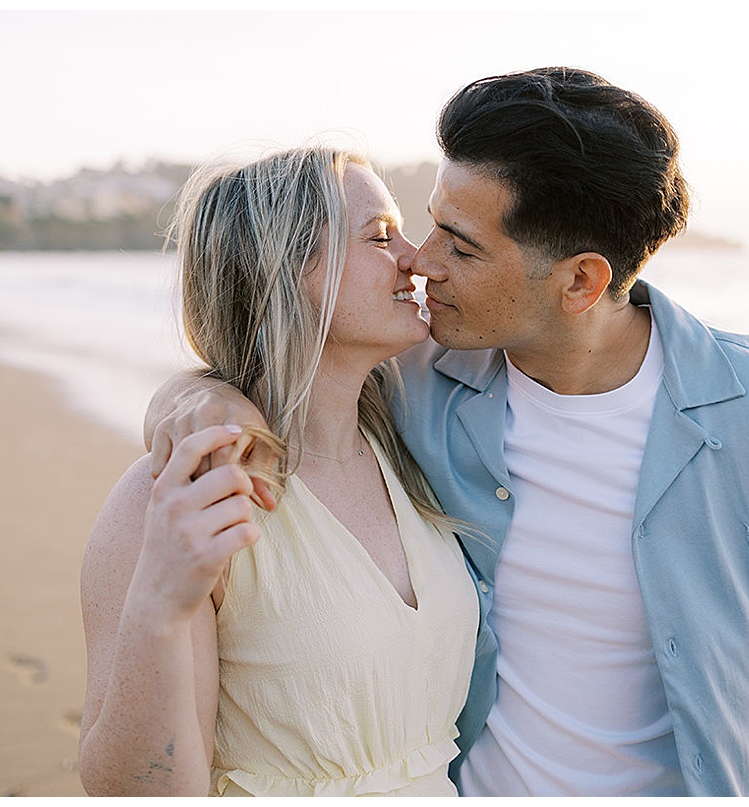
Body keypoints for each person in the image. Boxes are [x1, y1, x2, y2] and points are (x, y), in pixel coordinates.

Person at [144, 68, 749, 797]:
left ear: (581, 280)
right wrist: (201, 397)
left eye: (460, 246)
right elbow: (282, 360)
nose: (421, 261)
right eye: (428, 225)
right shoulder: (419, 377)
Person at [79, 146, 479, 796]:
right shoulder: (182, 493)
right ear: (288, 272)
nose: (418, 256)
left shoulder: (414, 439)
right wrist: (157, 606)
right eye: (381, 235)